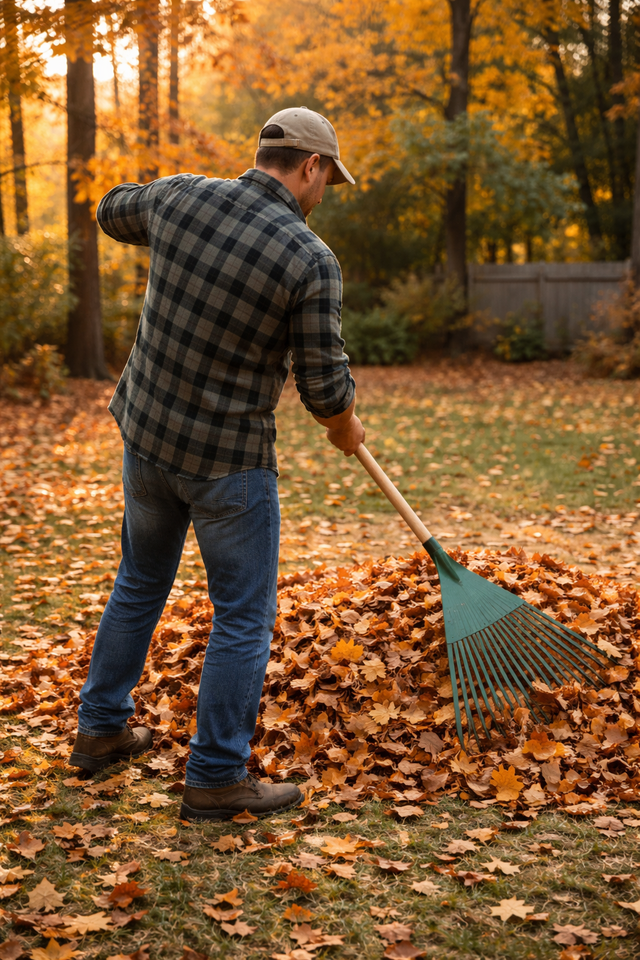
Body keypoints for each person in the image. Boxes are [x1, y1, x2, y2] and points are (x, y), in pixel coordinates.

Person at [69, 106, 365, 821]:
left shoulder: (180, 196)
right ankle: (215, 776)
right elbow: (325, 390)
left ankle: (100, 730)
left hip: (147, 439)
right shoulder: (309, 258)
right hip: (228, 464)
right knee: (242, 616)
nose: (323, 195)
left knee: (139, 581)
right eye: (326, 180)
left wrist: (161, 211)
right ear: (311, 166)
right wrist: (346, 427)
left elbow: (109, 209)